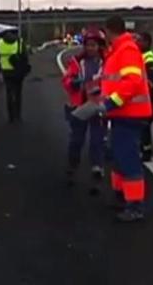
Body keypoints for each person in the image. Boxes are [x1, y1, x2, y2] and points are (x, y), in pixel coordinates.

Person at [72, 16, 153, 222]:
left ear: (109, 31)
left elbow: (131, 83)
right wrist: (99, 93)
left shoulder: (126, 50)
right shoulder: (118, 50)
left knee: (127, 158)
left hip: (130, 113)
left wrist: (110, 103)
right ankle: (122, 197)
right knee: (118, 156)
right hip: (121, 114)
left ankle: (135, 206)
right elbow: (114, 80)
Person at [61, 29, 107, 193]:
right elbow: (66, 79)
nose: (90, 48)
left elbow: (113, 81)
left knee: (97, 141)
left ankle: (97, 170)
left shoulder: (106, 62)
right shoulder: (77, 62)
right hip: (80, 107)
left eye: (94, 45)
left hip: (98, 106)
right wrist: (73, 82)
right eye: (88, 45)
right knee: (76, 140)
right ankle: (72, 168)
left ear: (100, 46)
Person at [0, 30, 31, 123]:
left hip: (6, 71)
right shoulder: (19, 42)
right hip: (18, 72)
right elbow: (25, 57)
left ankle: (10, 117)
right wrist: (26, 68)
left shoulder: (0, 42)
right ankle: (18, 115)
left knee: (9, 93)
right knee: (18, 93)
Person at [136, 32, 153, 162]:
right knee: (140, 125)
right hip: (140, 98)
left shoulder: (149, 58)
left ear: (147, 42)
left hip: (147, 98)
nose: (138, 43)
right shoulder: (140, 56)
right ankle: (142, 148)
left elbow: (150, 81)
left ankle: (146, 151)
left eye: (140, 40)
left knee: (144, 125)